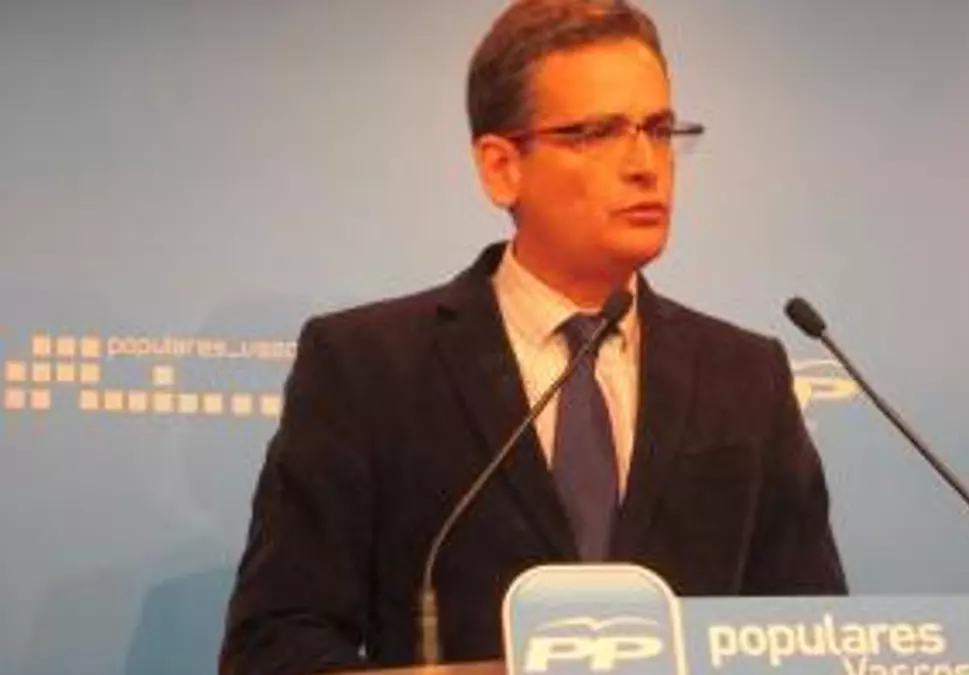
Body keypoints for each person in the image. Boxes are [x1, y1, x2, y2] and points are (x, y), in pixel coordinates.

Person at [219, 1, 847, 673]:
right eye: (599, 133)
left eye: (659, 129)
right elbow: (274, 643)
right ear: (501, 167)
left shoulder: (746, 378)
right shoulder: (367, 368)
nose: (646, 164)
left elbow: (810, 639)